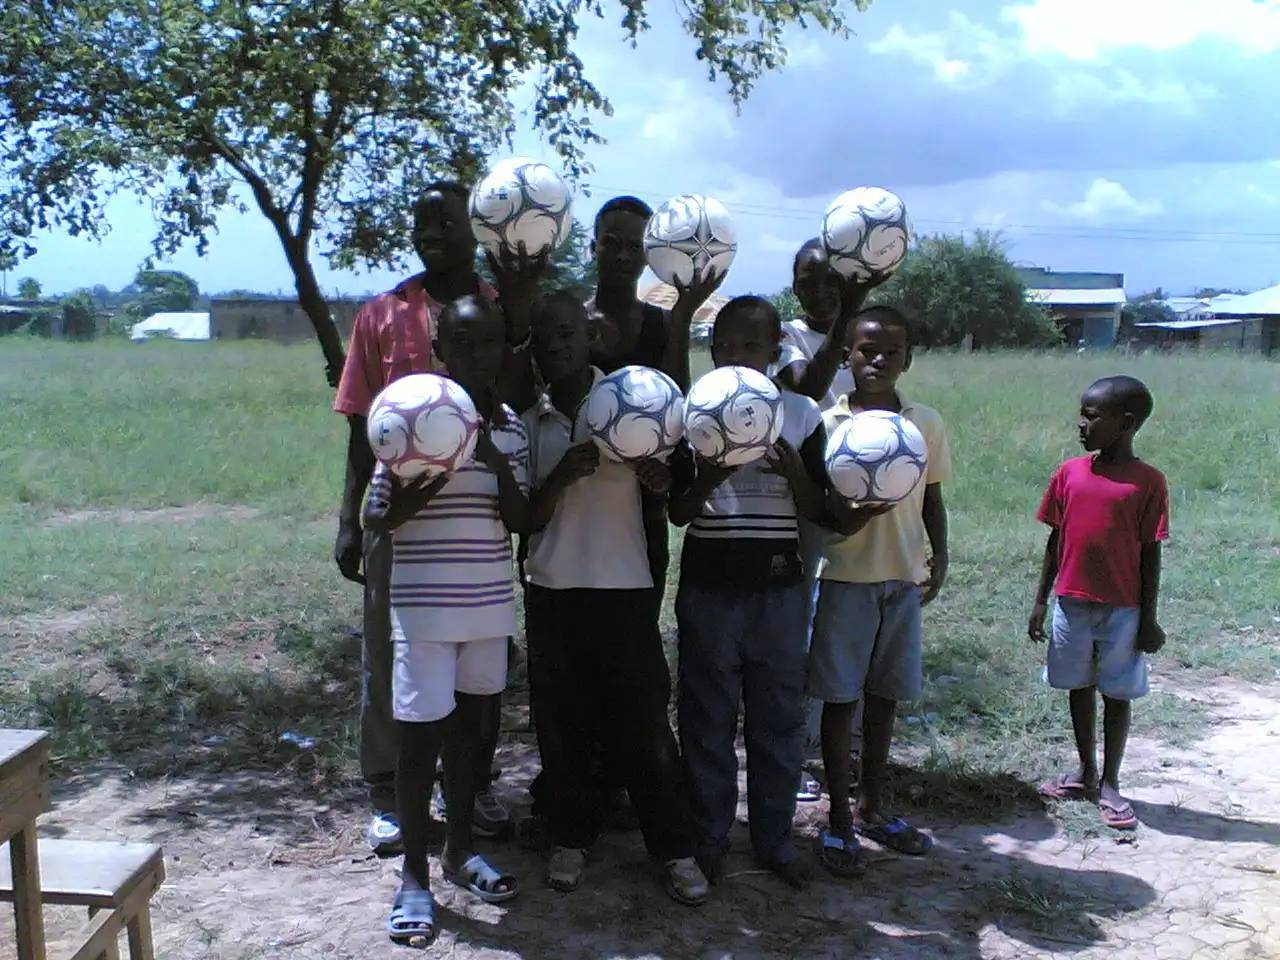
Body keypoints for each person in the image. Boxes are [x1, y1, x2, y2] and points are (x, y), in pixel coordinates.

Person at [333, 182, 534, 853]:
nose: (432, 235)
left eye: (446, 223)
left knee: (481, 668)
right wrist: (348, 519)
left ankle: (469, 790)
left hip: (476, 523)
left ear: (474, 230)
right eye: (422, 223)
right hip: (401, 517)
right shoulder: (383, 314)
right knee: (392, 655)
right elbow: (362, 423)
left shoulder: (501, 303)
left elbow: (522, 396)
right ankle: (389, 792)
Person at [520, 290, 710, 905]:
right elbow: (524, 517)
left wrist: (658, 479)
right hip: (552, 591)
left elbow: (667, 485)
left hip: (624, 590)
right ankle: (571, 836)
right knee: (562, 726)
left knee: (645, 729)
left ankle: (675, 848)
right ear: (534, 349)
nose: (558, 345)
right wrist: (561, 475)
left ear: (591, 336)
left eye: (568, 333)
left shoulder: (638, 402)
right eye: (545, 337)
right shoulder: (531, 420)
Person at [366, 295, 531, 943]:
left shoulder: (512, 427)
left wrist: (489, 458)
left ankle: (460, 849)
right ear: (442, 348)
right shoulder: (408, 417)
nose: (478, 355)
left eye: (490, 342)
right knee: (420, 745)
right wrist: (442, 465)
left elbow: (523, 522)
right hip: (424, 611)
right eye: (464, 343)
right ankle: (414, 876)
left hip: (488, 606)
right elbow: (382, 517)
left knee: (473, 739)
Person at [668, 296, 826, 890]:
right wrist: (709, 473)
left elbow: (820, 510)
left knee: (778, 718)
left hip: (779, 590)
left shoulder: (802, 413)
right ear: (712, 351)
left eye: (751, 346)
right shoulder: (695, 413)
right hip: (710, 586)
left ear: (775, 351)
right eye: (726, 346)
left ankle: (774, 837)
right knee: (706, 717)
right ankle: (710, 835)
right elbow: (680, 512)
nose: (737, 356)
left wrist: (795, 474)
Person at [808, 305, 950, 875]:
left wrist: (939, 556)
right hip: (843, 577)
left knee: (885, 696)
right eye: (866, 350)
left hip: (902, 577)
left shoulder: (926, 422)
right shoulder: (827, 424)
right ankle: (838, 816)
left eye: (892, 351)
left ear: (908, 359)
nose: (878, 360)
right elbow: (819, 506)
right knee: (840, 699)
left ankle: (873, 806)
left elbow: (933, 496)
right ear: (847, 354)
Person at [769, 238, 884, 803]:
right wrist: (846, 321)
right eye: (809, 280)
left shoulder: (867, 338)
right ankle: (802, 754)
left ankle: (837, 746)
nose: (821, 290)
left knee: (844, 625)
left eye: (832, 279)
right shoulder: (786, 339)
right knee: (806, 625)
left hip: (859, 508)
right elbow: (808, 391)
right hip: (805, 502)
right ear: (794, 287)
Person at [1028, 376, 1168, 831]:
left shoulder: (1148, 483)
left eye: (1092, 415)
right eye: (1082, 413)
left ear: (1126, 424)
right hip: (1070, 602)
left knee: (1117, 692)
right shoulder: (1068, 473)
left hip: (1123, 609)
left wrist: (1149, 618)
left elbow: (1151, 553)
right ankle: (1085, 770)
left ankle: (1111, 781)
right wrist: (1039, 600)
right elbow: (1056, 539)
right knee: (1077, 685)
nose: (1081, 424)